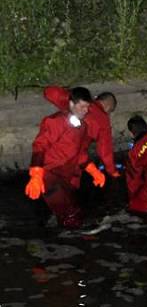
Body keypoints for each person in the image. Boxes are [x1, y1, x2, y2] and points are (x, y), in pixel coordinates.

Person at [25, 87, 107, 228]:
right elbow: (39, 146)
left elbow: (80, 154)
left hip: (66, 177)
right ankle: (76, 239)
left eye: (87, 106)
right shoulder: (55, 121)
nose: (85, 110)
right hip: (49, 175)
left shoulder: (82, 127)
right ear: (71, 104)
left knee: (74, 211)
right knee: (70, 213)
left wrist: (94, 171)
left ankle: (66, 238)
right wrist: (36, 176)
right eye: (82, 106)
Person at [44, 85, 119, 179]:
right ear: (108, 107)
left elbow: (52, 93)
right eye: (110, 111)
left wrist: (52, 90)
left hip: (55, 143)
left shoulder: (79, 102)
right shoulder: (104, 122)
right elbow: (105, 151)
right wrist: (112, 171)